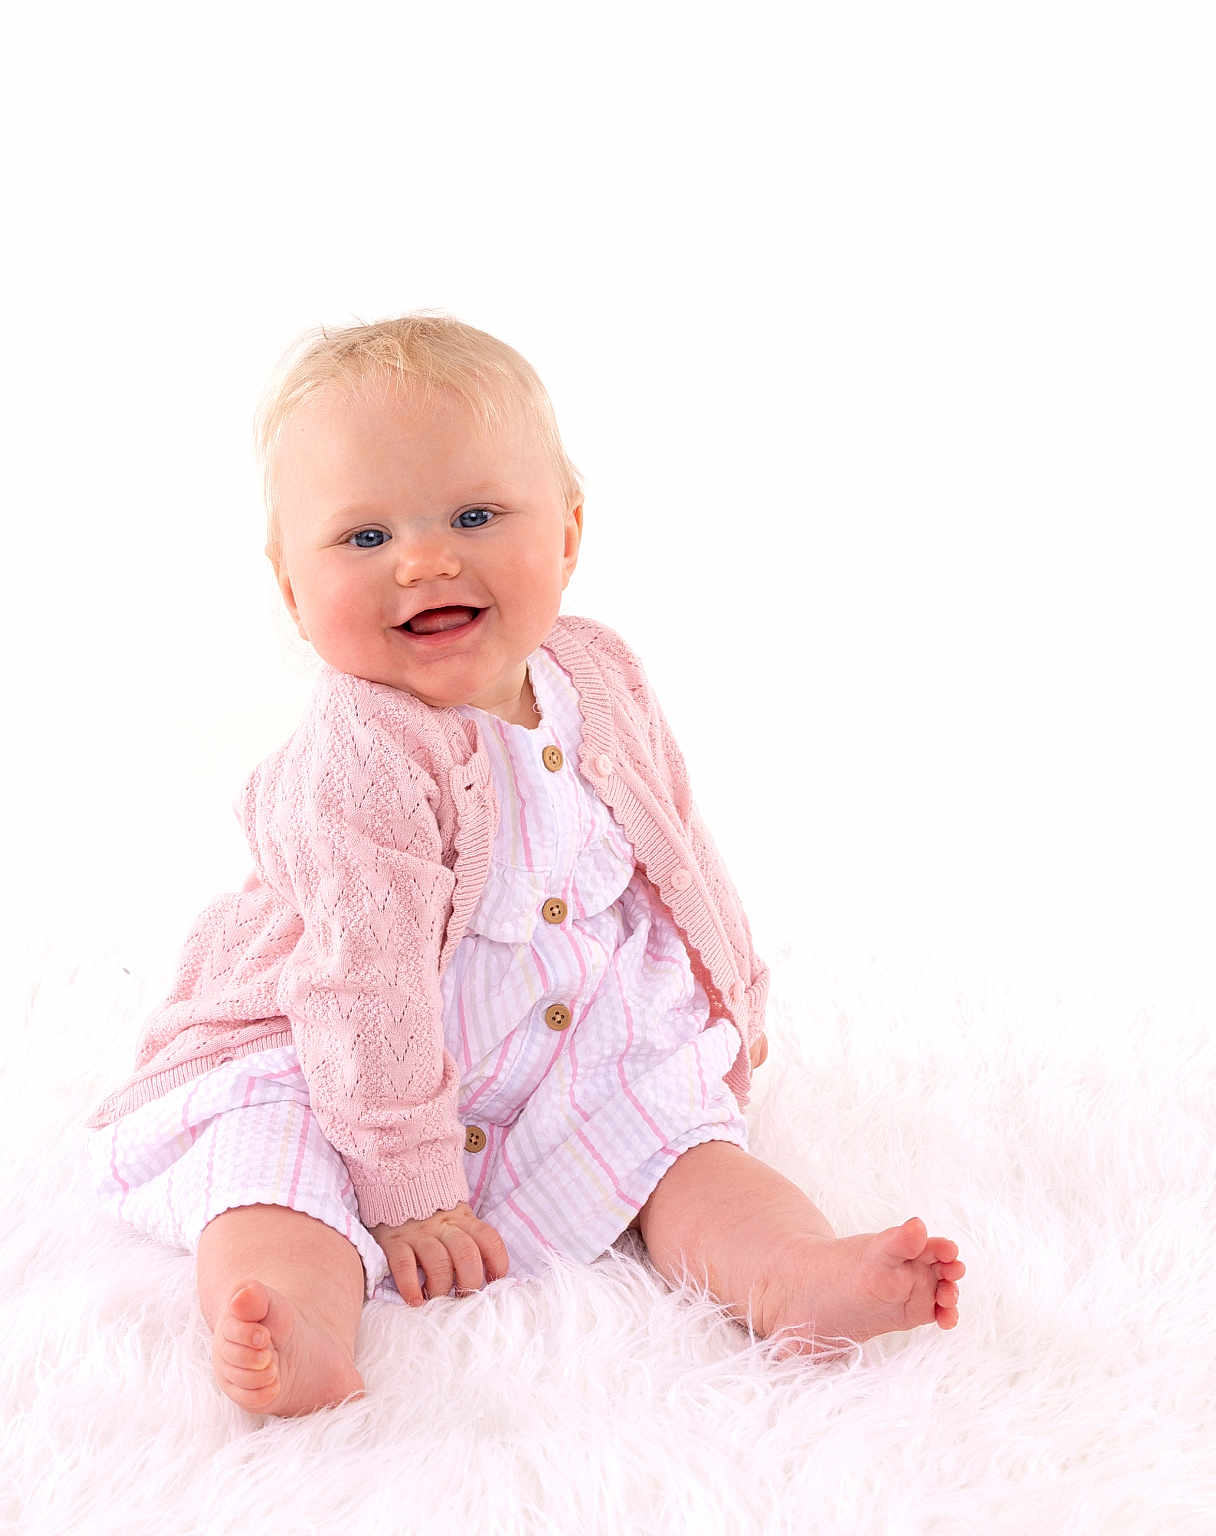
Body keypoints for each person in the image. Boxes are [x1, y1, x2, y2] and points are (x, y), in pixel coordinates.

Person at [83, 313, 965, 1418]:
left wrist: (728, 1001)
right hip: (336, 1055)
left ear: (568, 533)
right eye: (363, 539)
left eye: (475, 515)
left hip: (558, 1034)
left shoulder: (598, 674)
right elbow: (363, 987)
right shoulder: (359, 758)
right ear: (289, 584)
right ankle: (290, 1317)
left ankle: (790, 1273)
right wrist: (406, 1184)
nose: (424, 557)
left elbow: (676, 848)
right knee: (272, 1176)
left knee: (682, 1141)